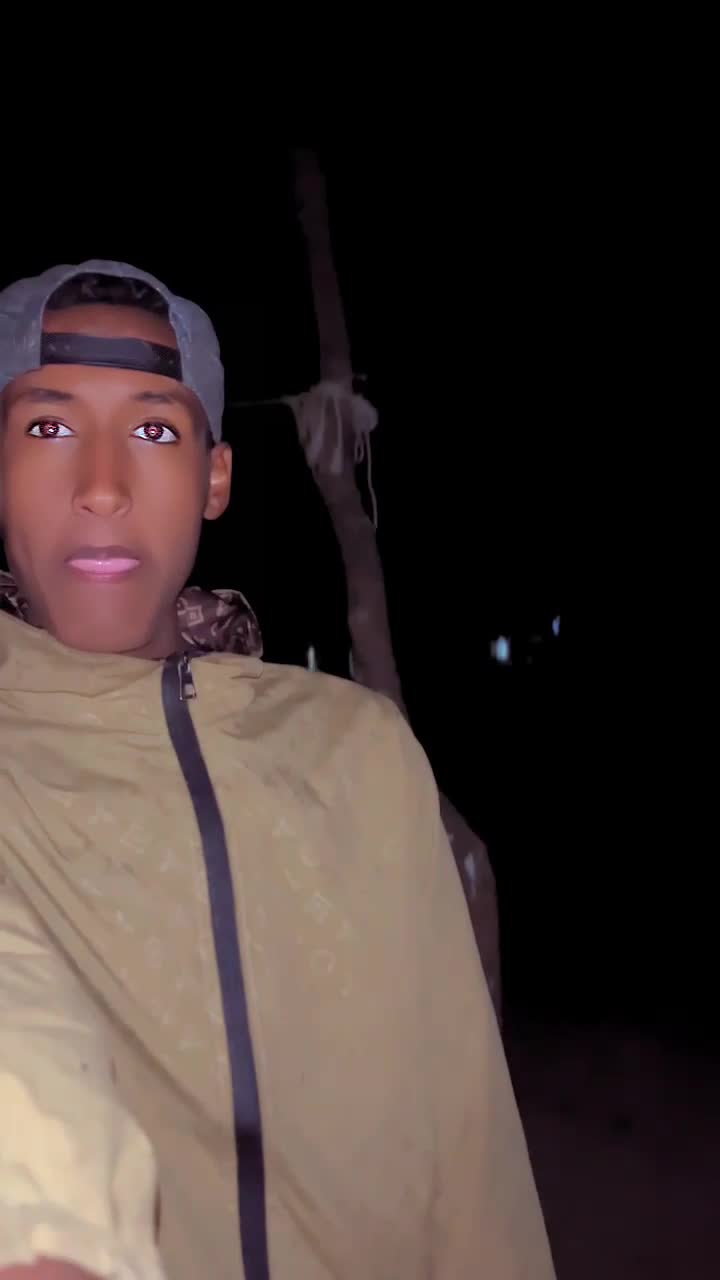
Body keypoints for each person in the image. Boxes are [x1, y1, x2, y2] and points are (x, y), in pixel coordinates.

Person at [0, 261, 556, 1280]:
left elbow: (471, 1149)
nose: (103, 485)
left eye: (154, 430)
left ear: (215, 477)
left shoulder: (356, 753)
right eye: (48, 426)